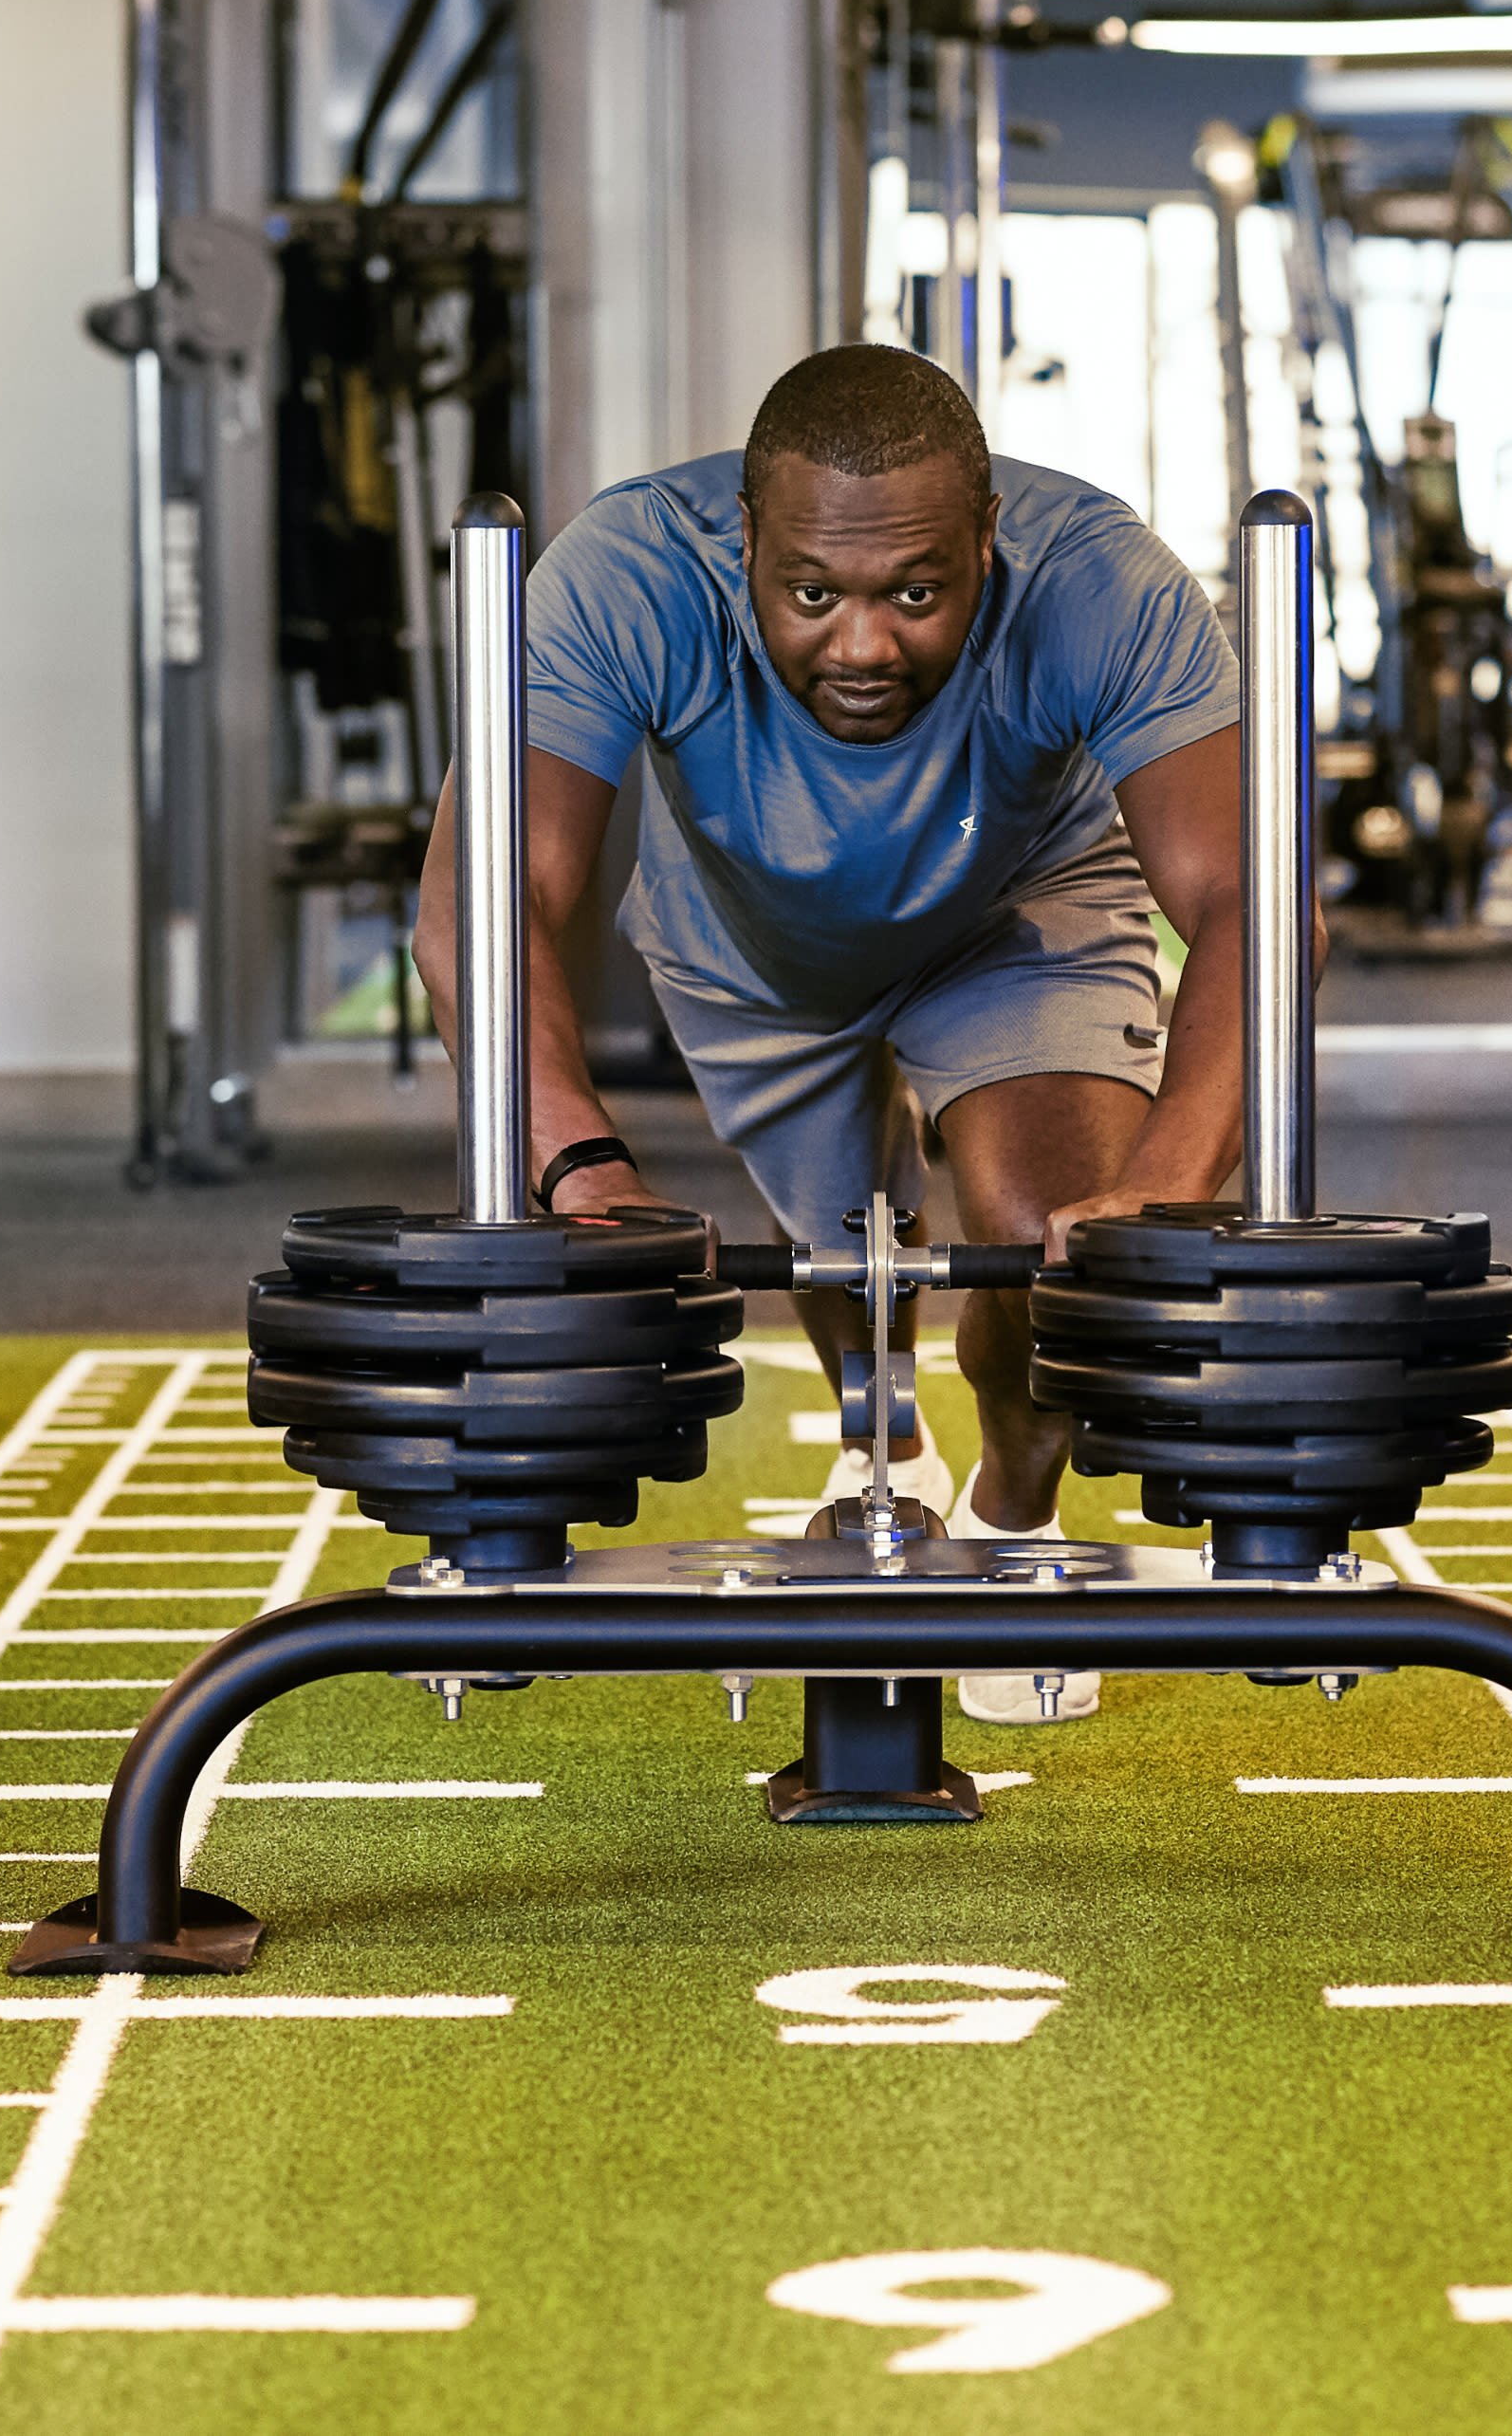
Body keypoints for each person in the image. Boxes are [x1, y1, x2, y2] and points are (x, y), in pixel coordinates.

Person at [412, 343, 1253, 1724]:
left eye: (917, 593)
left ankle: (1012, 1518)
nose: (863, 646)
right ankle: (888, 1441)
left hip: (1014, 907)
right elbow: (480, 906)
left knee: (1051, 1238)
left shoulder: (1102, 580)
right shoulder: (627, 573)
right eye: (812, 594)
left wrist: (1169, 1180)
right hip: (746, 937)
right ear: (745, 541)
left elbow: (1252, 907)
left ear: (988, 542)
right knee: (841, 1243)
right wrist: (579, 1175)